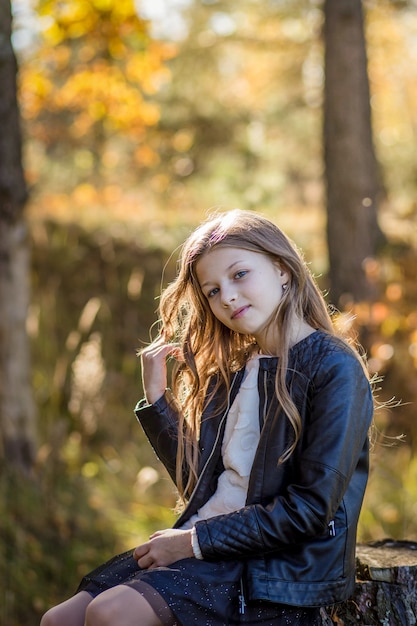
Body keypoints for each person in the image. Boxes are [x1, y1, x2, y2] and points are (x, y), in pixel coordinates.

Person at [41, 209, 374, 626]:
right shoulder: (238, 369)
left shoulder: (332, 367)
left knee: (111, 613)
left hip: (273, 571)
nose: (227, 297)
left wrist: (192, 542)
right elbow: (204, 486)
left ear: (284, 270)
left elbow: (308, 511)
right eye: (212, 290)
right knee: (59, 619)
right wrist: (158, 400)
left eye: (239, 275)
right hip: (212, 544)